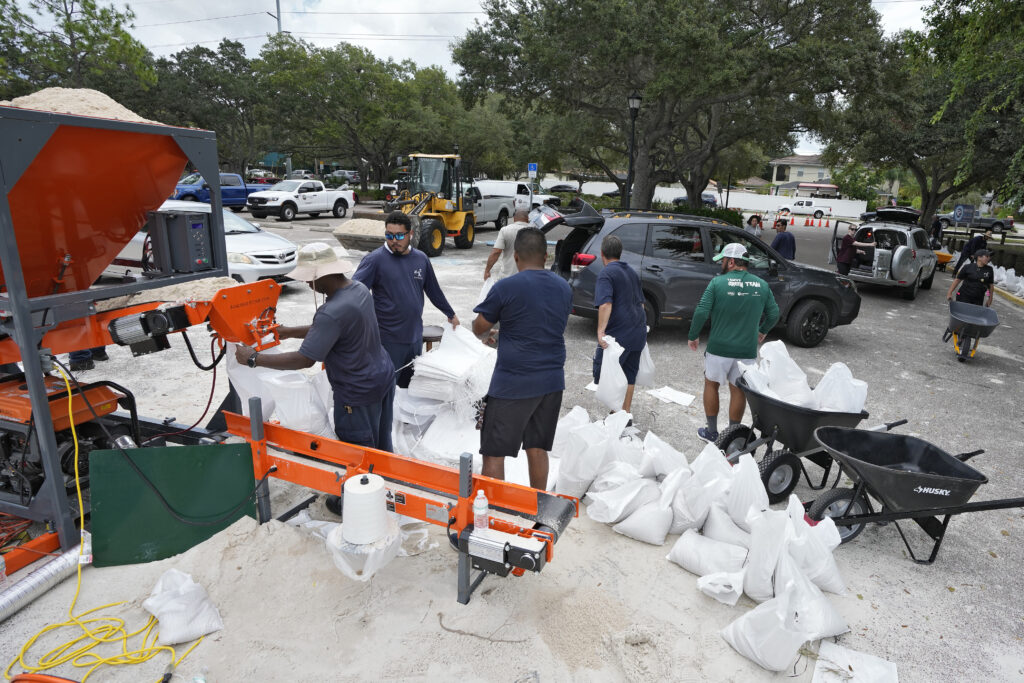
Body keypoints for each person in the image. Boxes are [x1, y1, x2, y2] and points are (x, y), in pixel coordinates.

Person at [234, 243, 395, 452]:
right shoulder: (359, 289)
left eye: (309, 278)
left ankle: (371, 483)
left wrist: (253, 358)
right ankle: (389, 480)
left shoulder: (331, 311)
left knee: (360, 454)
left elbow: (304, 359)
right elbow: (332, 329)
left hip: (358, 393)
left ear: (323, 275)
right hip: (382, 377)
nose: (308, 283)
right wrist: (289, 331)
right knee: (382, 443)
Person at [472, 228, 571, 489]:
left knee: (494, 450)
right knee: (537, 447)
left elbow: (480, 327)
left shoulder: (506, 287)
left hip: (513, 382)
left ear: (515, 257)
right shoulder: (563, 288)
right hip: (551, 381)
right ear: (546, 255)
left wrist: (488, 331)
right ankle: (537, 504)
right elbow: (537, 321)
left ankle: (494, 514)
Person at [352, 211, 458, 388]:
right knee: (385, 390)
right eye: (389, 235)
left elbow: (433, 290)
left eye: (399, 236)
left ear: (411, 234)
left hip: (414, 338)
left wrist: (450, 313)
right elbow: (354, 291)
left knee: (410, 389)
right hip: (387, 340)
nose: (394, 240)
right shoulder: (374, 260)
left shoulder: (421, 259)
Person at [687, 243, 780, 442]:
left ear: (730, 262)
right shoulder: (762, 285)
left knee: (711, 385)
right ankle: (731, 436)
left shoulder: (717, 283)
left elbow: (702, 311)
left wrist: (693, 335)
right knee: (738, 390)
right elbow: (774, 314)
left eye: (722, 260)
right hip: (746, 351)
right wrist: (762, 331)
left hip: (718, 348)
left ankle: (712, 432)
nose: (720, 263)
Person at [593, 235, 647, 415]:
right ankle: (624, 415)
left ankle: (617, 413)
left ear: (602, 254)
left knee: (603, 373)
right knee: (629, 373)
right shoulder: (631, 271)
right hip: (638, 331)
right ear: (620, 253)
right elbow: (641, 304)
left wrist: (600, 332)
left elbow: (605, 304)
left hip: (619, 335)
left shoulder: (606, 273)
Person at [483, 209, 530, 282]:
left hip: (508, 277)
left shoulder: (505, 230)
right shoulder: (536, 231)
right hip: (528, 279)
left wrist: (487, 270)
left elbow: (496, 252)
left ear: (514, 218)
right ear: (527, 219)